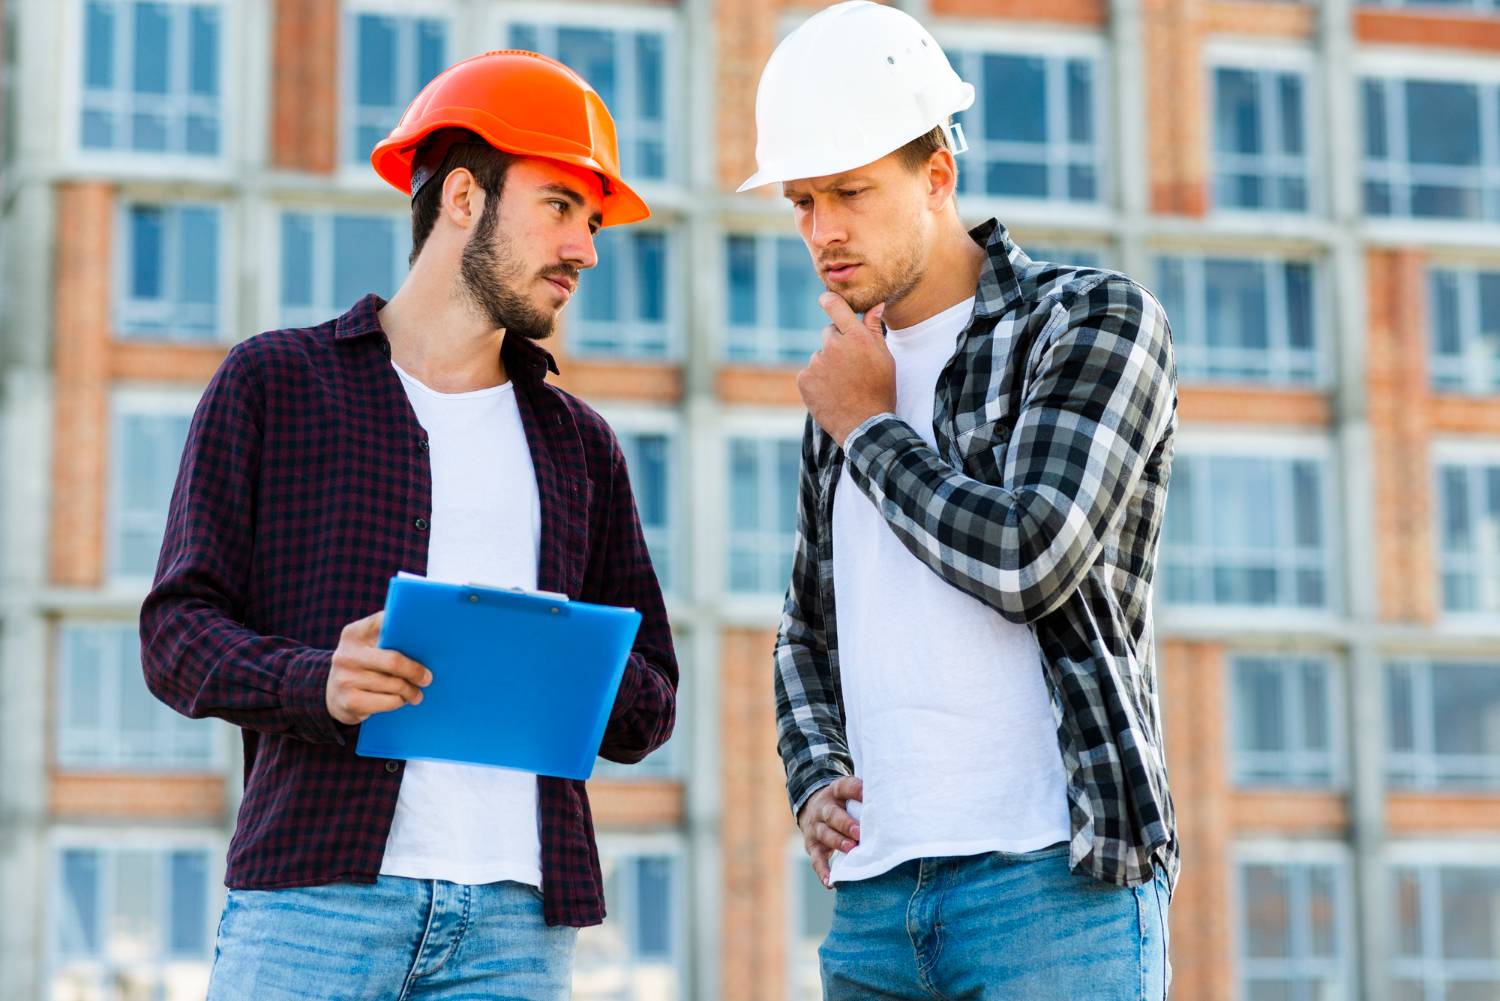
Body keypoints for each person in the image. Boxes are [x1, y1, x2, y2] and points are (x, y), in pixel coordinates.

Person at [139, 50, 677, 1000]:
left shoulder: (580, 445)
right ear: (463, 197)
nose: (586, 250)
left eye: (593, 224)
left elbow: (651, 706)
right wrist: (318, 682)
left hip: (517, 922)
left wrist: (551, 656)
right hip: (315, 902)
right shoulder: (276, 384)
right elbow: (175, 633)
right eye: (560, 207)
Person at [745, 4, 1178, 998]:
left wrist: (870, 425)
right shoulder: (848, 381)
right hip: (873, 907)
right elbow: (807, 623)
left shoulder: (1091, 319)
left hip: (1055, 888)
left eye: (850, 191)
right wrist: (813, 770)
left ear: (937, 172)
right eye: (802, 201)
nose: (823, 231)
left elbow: (1035, 556)